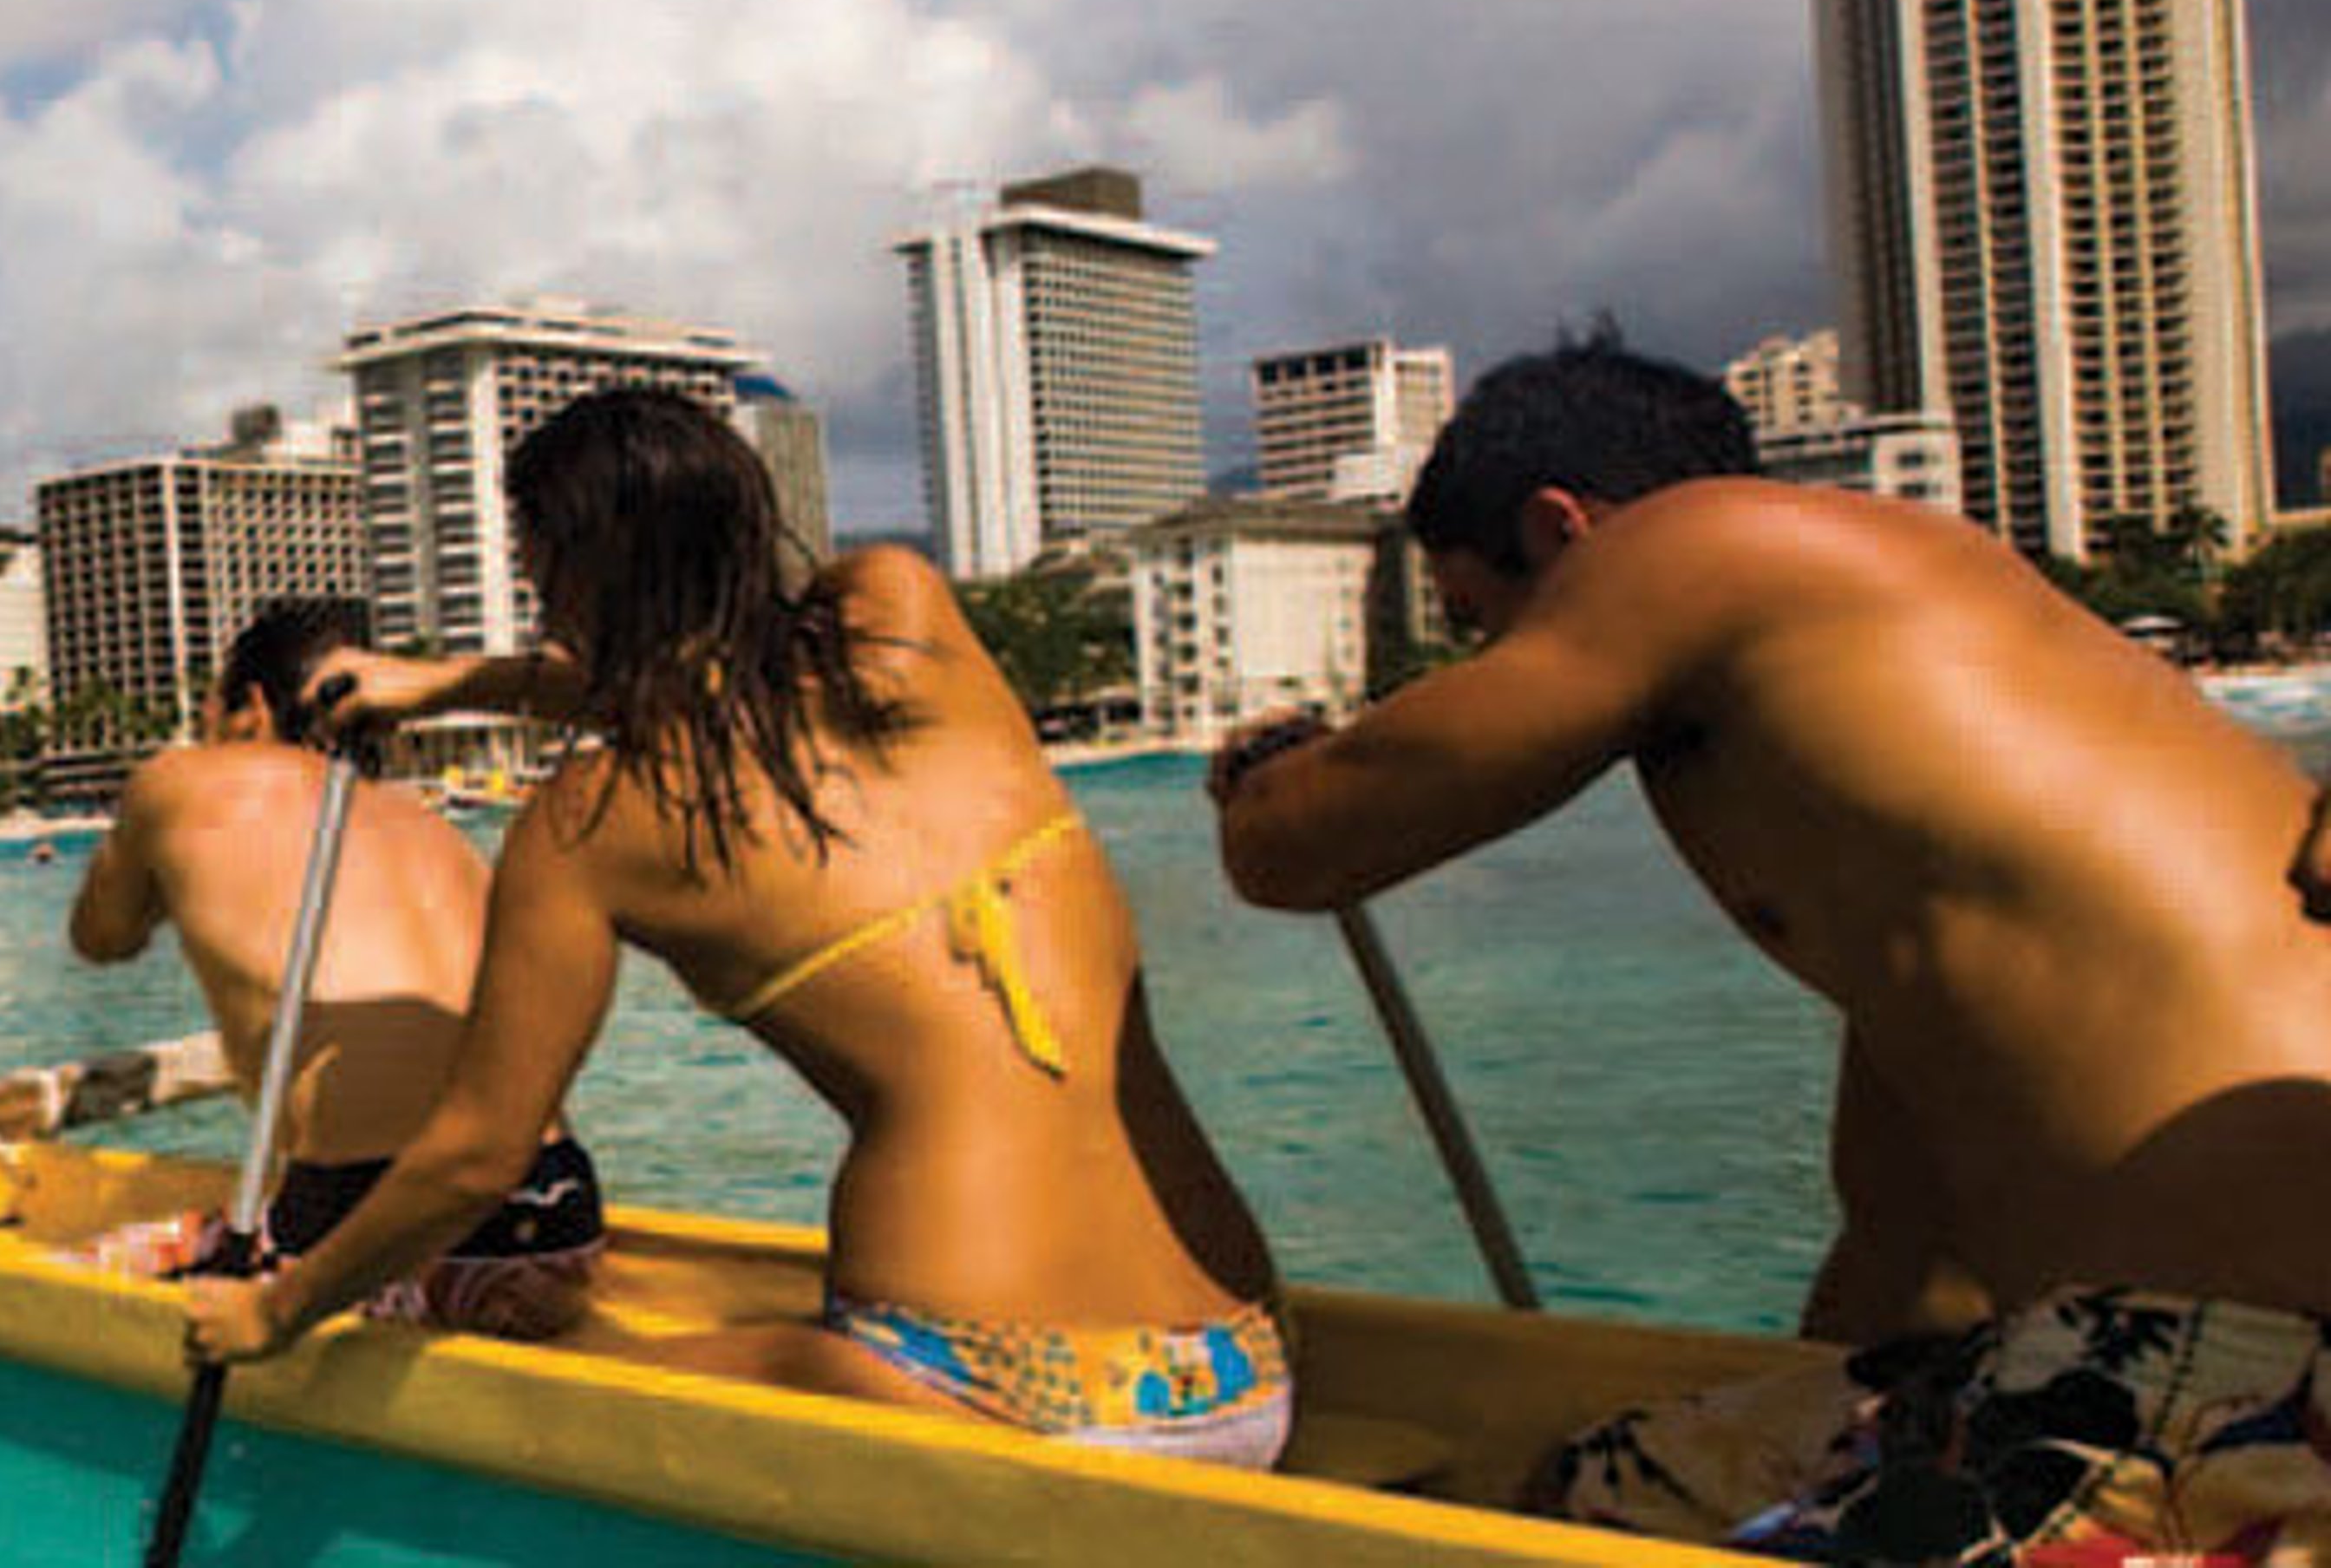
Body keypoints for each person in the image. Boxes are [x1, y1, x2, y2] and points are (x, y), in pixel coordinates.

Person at [1211, 332, 2331, 1561]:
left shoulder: (1700, 545)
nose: (1500, 673)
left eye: (1487, 625)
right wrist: (1823, 1417)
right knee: (1596, 1489)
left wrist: (1269, 767)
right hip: (2140, 1341)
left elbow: (1299, 849)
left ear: (1562, 530)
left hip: (2233, 1344)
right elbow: (1912, 1249)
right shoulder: (1901, 733)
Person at [181, 387, 1290, 1467]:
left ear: (556, 575)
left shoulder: (590, 823)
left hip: (982, 1387)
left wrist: (275, 1310)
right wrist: (453, 684)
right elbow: (725, 681)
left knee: (534, 1400)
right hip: (1243, 1366)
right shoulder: (904, 619)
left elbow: (477, 1155)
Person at [66, 598, 604, 1338]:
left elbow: (101, 936)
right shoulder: (430, 826)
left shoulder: (179, 780)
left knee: (71, 1274)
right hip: (555, 1218)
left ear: (250, 706)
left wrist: (168, 876)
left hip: (374, 1233)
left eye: (210, 711)